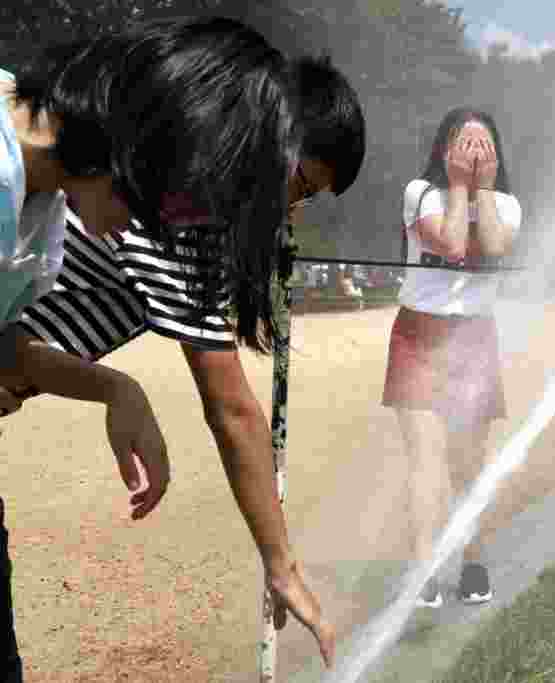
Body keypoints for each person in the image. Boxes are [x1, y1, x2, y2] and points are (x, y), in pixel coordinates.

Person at [0, 20, 364, 676]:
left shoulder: (67, 209)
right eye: (300, 187)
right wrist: (282, 565)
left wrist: (112, 386)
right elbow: (232, 407)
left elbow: (16, 343)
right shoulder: (161, 198)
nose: (289, 211)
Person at [382, 108, 521, 608]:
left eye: (484, 144)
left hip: (474, 337)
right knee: (425, 457)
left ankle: (473, 562)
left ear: (498, 156)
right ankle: (423, 570)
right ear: (444, 150)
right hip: (418, 336)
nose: (475, 150)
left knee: (468, 463)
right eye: (465, 142)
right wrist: (459, 187)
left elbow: (495, 245)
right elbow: (452, 241)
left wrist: (480, 188)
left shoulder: (506, 203)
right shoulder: (419, 193)